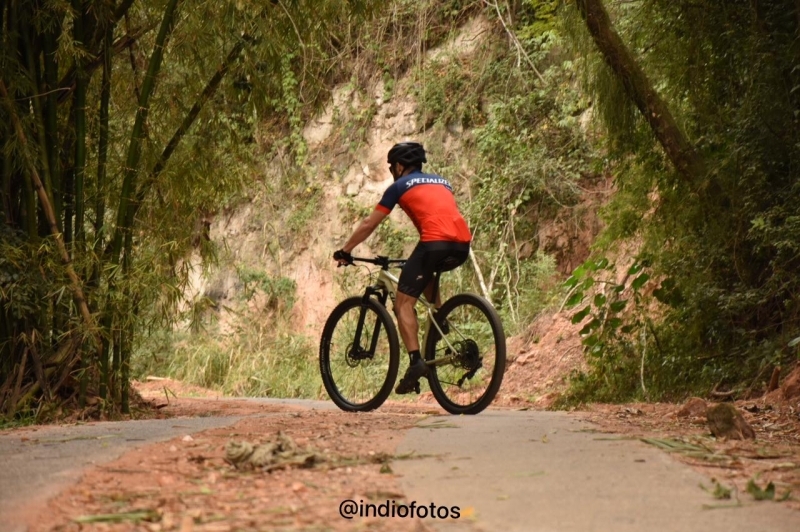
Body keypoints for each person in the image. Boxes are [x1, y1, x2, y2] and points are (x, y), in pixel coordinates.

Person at [334, 142, 472, 394]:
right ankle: (440, 320)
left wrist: (346, 250)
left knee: (402, 304)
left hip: (433, 244)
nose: (392, 172)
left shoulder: (399, 186)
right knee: (422, 270)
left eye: (391, 168)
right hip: (462, 244)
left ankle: (416, 362)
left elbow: (369, 224)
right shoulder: (443, 182)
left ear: (398, 166)